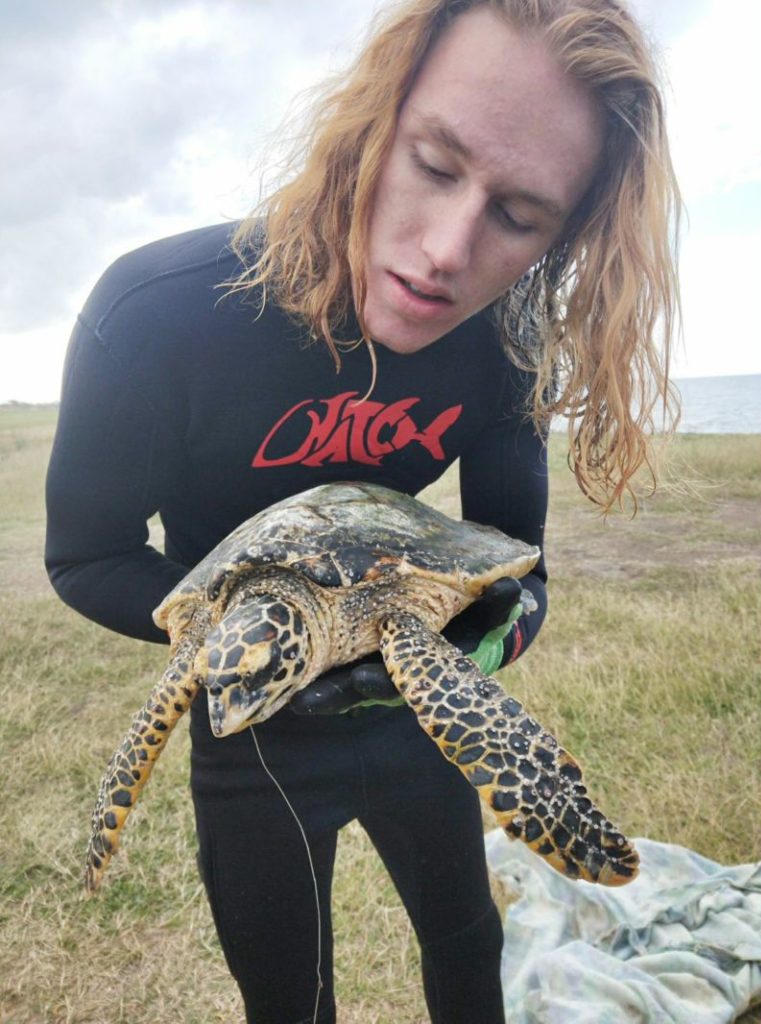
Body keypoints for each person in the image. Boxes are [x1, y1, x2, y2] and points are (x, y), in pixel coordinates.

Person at [45, 1, 680, 1021]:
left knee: (471, 951)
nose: (443, 250)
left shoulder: (504, 339)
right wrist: (246, 636)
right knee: (288, 997)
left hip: (414, 699)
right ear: (375, 116)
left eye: (518, 216)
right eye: (433, 162)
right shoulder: (160, 313)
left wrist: (440, 657)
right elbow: (86, 559)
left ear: (566, 238)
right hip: (252, 714)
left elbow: (522, 577)